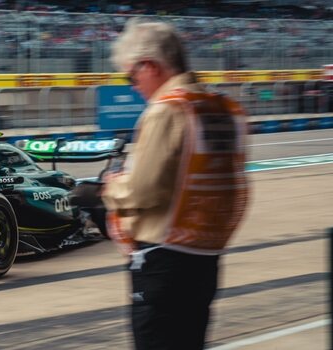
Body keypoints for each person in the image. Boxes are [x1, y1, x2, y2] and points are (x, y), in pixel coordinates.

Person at [101, 19, 249, 350]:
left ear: (150, 65)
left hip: (162, 260)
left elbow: (143, 190)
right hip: (206, 254)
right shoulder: (221, 106)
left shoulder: (167, 110)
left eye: (131, 76)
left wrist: (111, 187)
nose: (133, 86)